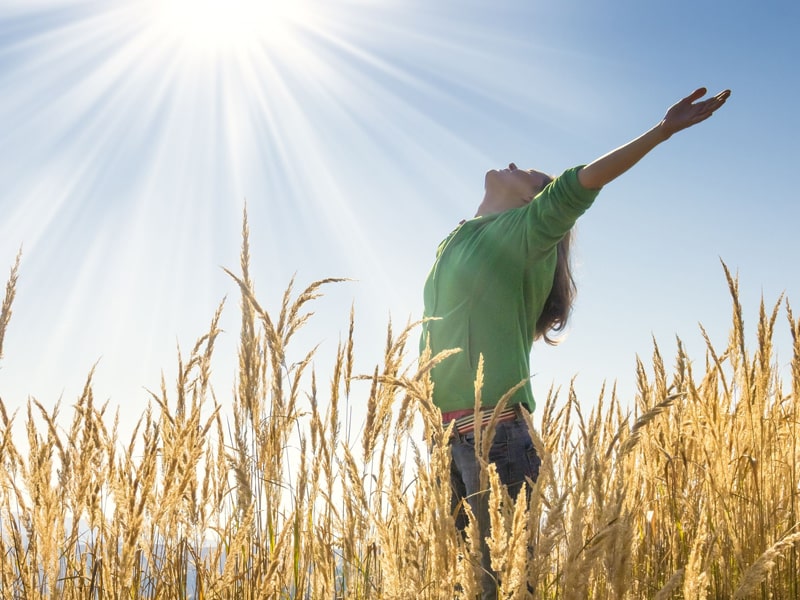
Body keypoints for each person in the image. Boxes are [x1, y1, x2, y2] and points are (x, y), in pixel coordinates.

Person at [419, 87, 731, 599]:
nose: (516, 163)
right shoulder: (456, 238)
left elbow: (579, 185)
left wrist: (662, 130)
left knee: (511, 586)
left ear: (534, 201)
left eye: (531, 175)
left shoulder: (525, 233)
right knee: (467, 589)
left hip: (495, 438)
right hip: (446, 441)